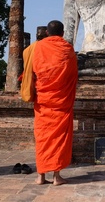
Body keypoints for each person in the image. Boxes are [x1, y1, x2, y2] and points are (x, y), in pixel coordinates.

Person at [32, 20, 78, 185]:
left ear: (46, 33)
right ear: (63, 33)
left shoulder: (38, 47)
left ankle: (40, 176)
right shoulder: (67, 49)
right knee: (58, 138)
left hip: (44, 100)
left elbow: (34, 70)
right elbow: (72, 74)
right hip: (61, 101)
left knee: (43, 137)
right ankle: (56, 176)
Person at [19, 26, 48, 102]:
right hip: (42, 85)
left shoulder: (27, 50)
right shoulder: (45, 48)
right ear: (47, 34)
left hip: (30, 85)